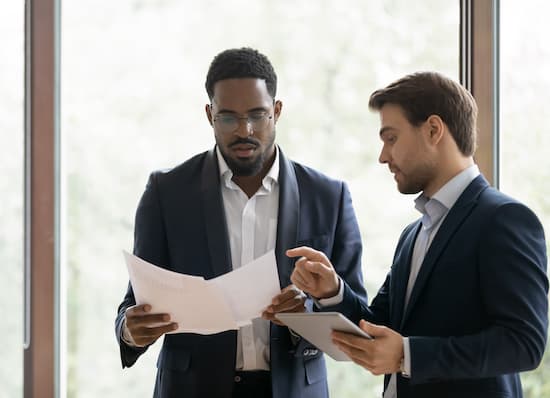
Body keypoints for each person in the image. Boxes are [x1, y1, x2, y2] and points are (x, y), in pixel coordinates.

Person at [114, 47, 367, 398]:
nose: (244, 131)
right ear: (209, 114)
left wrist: (307, 310)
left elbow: (357, 320)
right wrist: (130, 330)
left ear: (277, 112)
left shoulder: (329, 196)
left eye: (258, 115)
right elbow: (134, 305)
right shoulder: (166, 193)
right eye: (229, 118)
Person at [288, 71, 548, 398]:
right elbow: (377, 326)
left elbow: (524, 344)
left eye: (391, 138)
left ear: (433, 130)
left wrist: (407, 355)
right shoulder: (413, 234)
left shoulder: (505, 219)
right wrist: (332, 290)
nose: (383, 156)